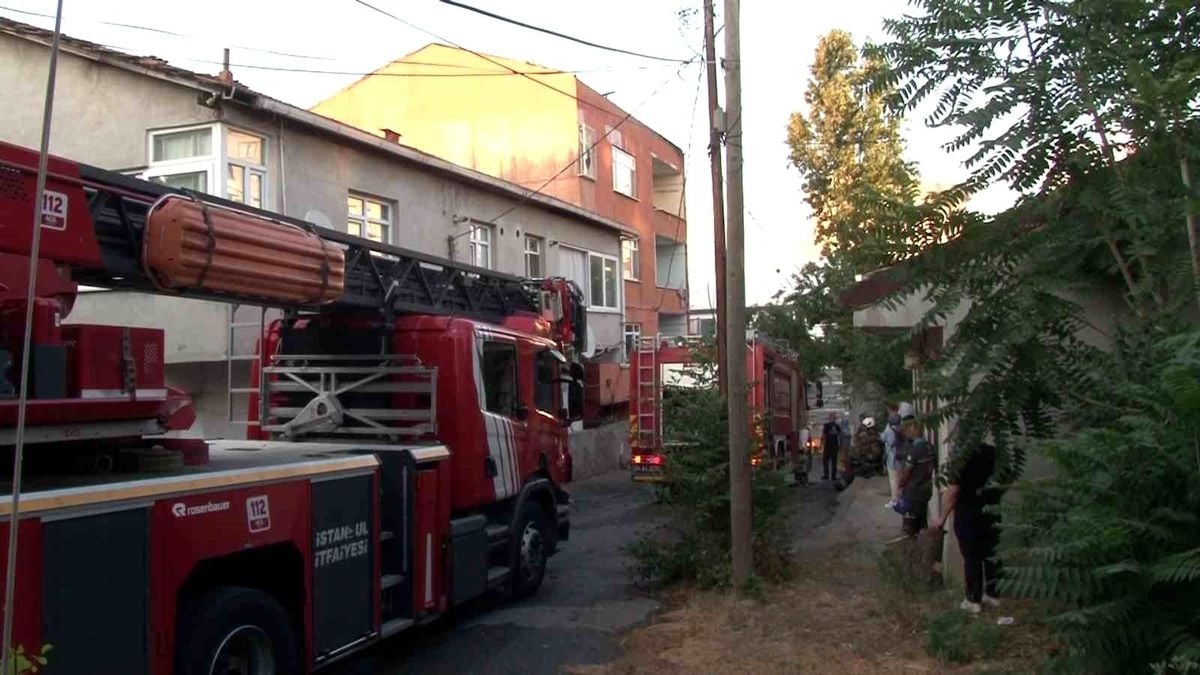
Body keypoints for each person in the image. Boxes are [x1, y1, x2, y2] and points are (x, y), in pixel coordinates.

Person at [933, 442, 1003, 614]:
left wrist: (941, 518)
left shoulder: (961, 456)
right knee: (991, 554)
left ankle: (973, 599)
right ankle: (993, 595)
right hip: (992, 511)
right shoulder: (995, 453)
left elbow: (953, 491)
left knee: (972, 555)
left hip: (968, 512)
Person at [896, 406, 935, 536]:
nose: (907, 432)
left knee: (910, 529)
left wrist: (900, 487)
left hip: (913, 493)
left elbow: (906, 472)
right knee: (922, 525)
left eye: (908, 430)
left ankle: (913, 553)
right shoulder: (930, 447)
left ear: (914, 429)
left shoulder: (915, 450)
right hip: (925, 492)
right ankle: (923, 551)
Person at [881, 413, 903, 508]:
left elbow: (882, 439)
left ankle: (895, 500)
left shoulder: (889, 430)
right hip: (902, 457)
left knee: (893, 481)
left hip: (893, 458)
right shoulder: (902, 428)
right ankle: (901, 499)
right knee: (900, 479)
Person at [821, 412, 841, 481]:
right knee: (833, 462)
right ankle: (833, 476)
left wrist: (822, 444)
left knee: (826, 461)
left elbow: (824, 435)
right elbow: (839, 436)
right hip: (834, 446)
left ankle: (827, 475)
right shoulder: (837, 426)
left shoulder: (826, 425)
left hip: (828, 446)